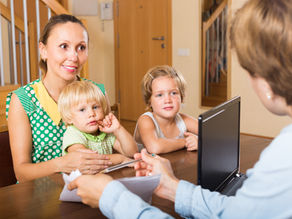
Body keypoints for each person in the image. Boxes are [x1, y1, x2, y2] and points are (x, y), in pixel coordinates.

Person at [68, 0, 292, 218]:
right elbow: (236, 213)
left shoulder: (283, 156)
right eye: (159, 94)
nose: (167, 99)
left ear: (267, 81)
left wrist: (111, 198)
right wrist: (172, 186)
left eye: (250, 70)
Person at [6, 14, 112, 182]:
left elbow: (115, 145)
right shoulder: (22, 100)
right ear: (43, 50)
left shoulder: (97, 91)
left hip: (93, 190)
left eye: (81, 47)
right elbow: (21, 172)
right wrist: (62, 163)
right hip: (40, 199)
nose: (74, 57)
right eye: (64, 46)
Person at [58, 80, 137, 165]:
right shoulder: (73, 134)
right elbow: (89, 160)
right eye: (82, 110)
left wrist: (118, 129)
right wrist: (120, 159)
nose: (91, 113)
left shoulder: (105, 132)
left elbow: (131, 153)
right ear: (69, 117)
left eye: (95, 107)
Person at [134, 65, 198, 153]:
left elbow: (212, 133)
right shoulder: (145, 120)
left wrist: (198, 141)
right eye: (160, 95)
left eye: (173, 93)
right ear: (149, 101)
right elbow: (154, 147)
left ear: (181, 96)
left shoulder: (183, 119)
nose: (168, 100)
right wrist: (186, 142)